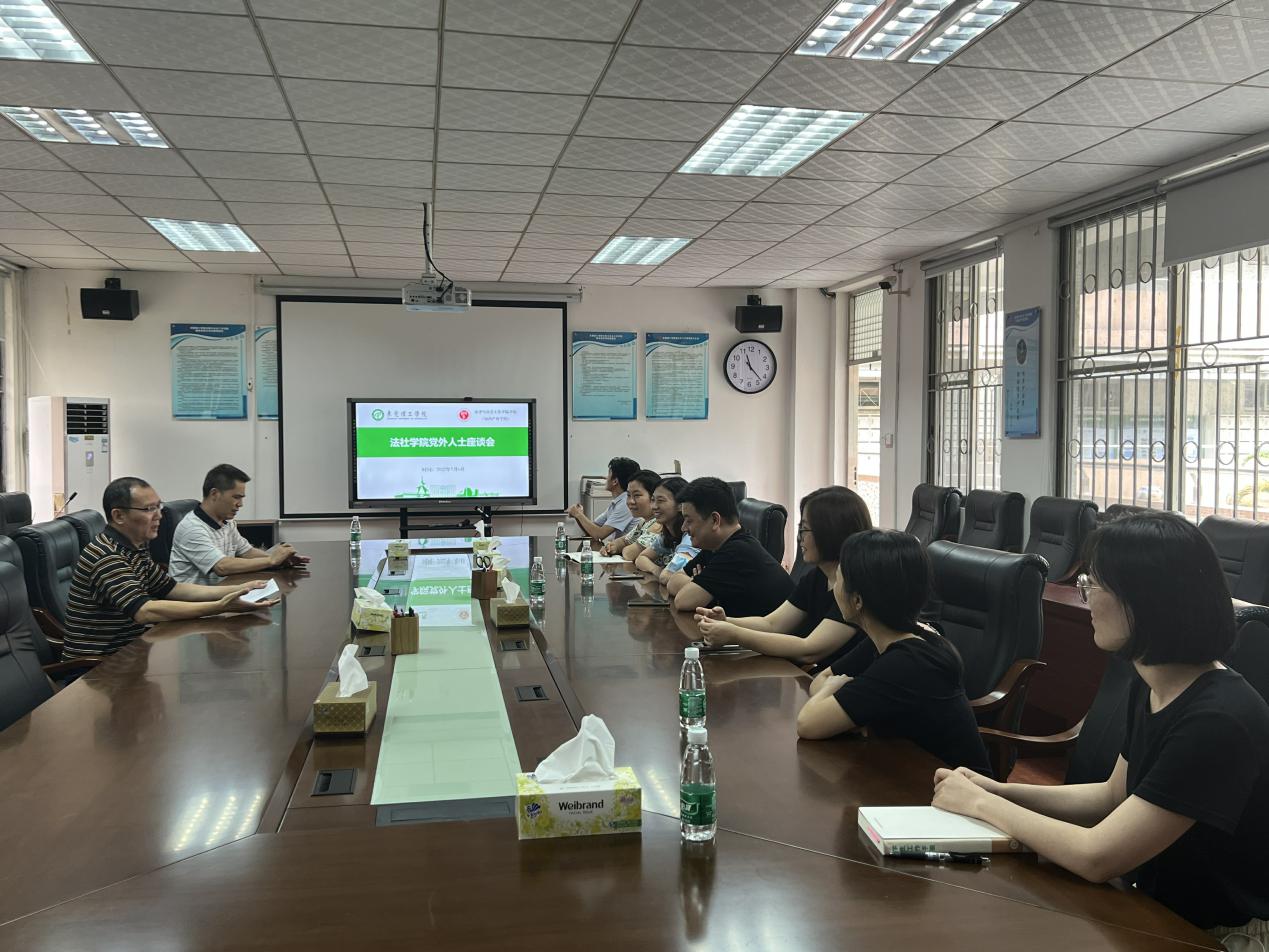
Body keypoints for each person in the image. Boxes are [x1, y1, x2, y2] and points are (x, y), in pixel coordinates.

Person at [930, 512, 1269, 945]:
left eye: (1094, 585)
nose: (1085, 597)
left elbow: (1097, 856)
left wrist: (981, 805)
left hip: (1224, 935)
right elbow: (1112, 795)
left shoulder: (1217, 720)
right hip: (1157, 905)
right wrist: (997, 790)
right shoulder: (1152, 684)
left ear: (1147, 601)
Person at [797, 529, 991, 776]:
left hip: (957, 791)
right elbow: (821, 679)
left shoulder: (907, 663)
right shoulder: (891, 636)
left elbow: (807, 723)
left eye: (839, 578)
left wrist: (836, 692)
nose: (835, 586)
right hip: (911, 772)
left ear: (857, 601)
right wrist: (839, 699)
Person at [62, 477, 281, 660]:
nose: (159, 515)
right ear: (119, 515)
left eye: (159, 507)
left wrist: (241, 589)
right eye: (149, 509)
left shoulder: (135, 547)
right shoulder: (106, 555)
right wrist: (220, 606)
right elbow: (145, 611)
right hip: (97, 667)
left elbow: (172, 588)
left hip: (130, 653)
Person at [696, 486, 869, 665]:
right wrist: (726, 621)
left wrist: (734, 634)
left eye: (805, 529)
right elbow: (772, 624)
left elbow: (809, 650)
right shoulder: (818, 576)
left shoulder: (854, 586)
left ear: (831, 532)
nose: (800, 537)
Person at [668, 476, 792, 616]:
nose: (683, 528)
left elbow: (682, 601)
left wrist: (698, 585)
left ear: (715, 520)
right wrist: (694, 583)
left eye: (689, 520)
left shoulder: (737, 552)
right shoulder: (716, 545)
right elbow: (672, 582)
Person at [169, 464, 307, 585]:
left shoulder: (227, 522)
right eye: (236, 497)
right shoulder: (192, 528)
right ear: (214, 494)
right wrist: (271, 560)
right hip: (194, 602)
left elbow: (247, 552)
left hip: (221, 593)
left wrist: (281, 561)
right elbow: (221, 566)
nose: (240, 504)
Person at [567, 457, 640, 544]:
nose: (606, 478)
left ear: (615, 481)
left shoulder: (625, 504)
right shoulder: (618, 502)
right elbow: (592, 531)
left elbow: (599, 535)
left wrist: (578, 514)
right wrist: (578, 515)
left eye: (609, 474)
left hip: (624, 551)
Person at [634, 476, 689, 574]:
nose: (654, 506)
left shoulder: (690, 536)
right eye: (652, 500)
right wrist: (657, 571)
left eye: (660, 500)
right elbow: (641, 559)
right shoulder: (666, 535)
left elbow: (670, 574)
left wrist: (662, 574)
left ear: (680, 505)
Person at [600, 469, 661, 558]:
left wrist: (623, 549)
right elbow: (624, 541)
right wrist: (612, 547)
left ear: (654, 497)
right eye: (628, 495)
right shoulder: (643, 522)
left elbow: (629, 554)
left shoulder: (658, 524)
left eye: (637, 495)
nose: (630, 501)